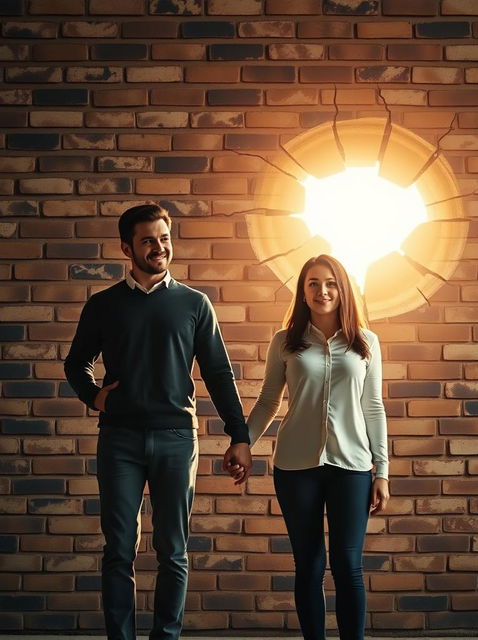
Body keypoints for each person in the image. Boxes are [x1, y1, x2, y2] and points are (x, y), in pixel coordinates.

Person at [64, 203, 252, 640]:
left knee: (173, 552)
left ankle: (165, 638)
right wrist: (94, 396)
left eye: (164, 238)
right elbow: (76, 363)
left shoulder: (194, 303)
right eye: (148, 240)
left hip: (176, 439)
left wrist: (239, 436)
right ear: (126, 247)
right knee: (119, 551)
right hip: (120, 440)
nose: (159, 247)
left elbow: (219, 374)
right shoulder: (104, 305)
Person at [241, 254, 389, 640]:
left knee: (347, 565)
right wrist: (242, 443)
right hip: (295, 467)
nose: (322, 291)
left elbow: (373, 407)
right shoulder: (285, 341)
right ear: (303, 292)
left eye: (330, 283)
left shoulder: (366, 342)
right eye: (313, 283)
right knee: (308, 564)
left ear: (342, 289)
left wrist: (382, 471)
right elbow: (268, 401)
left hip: (352, 466)